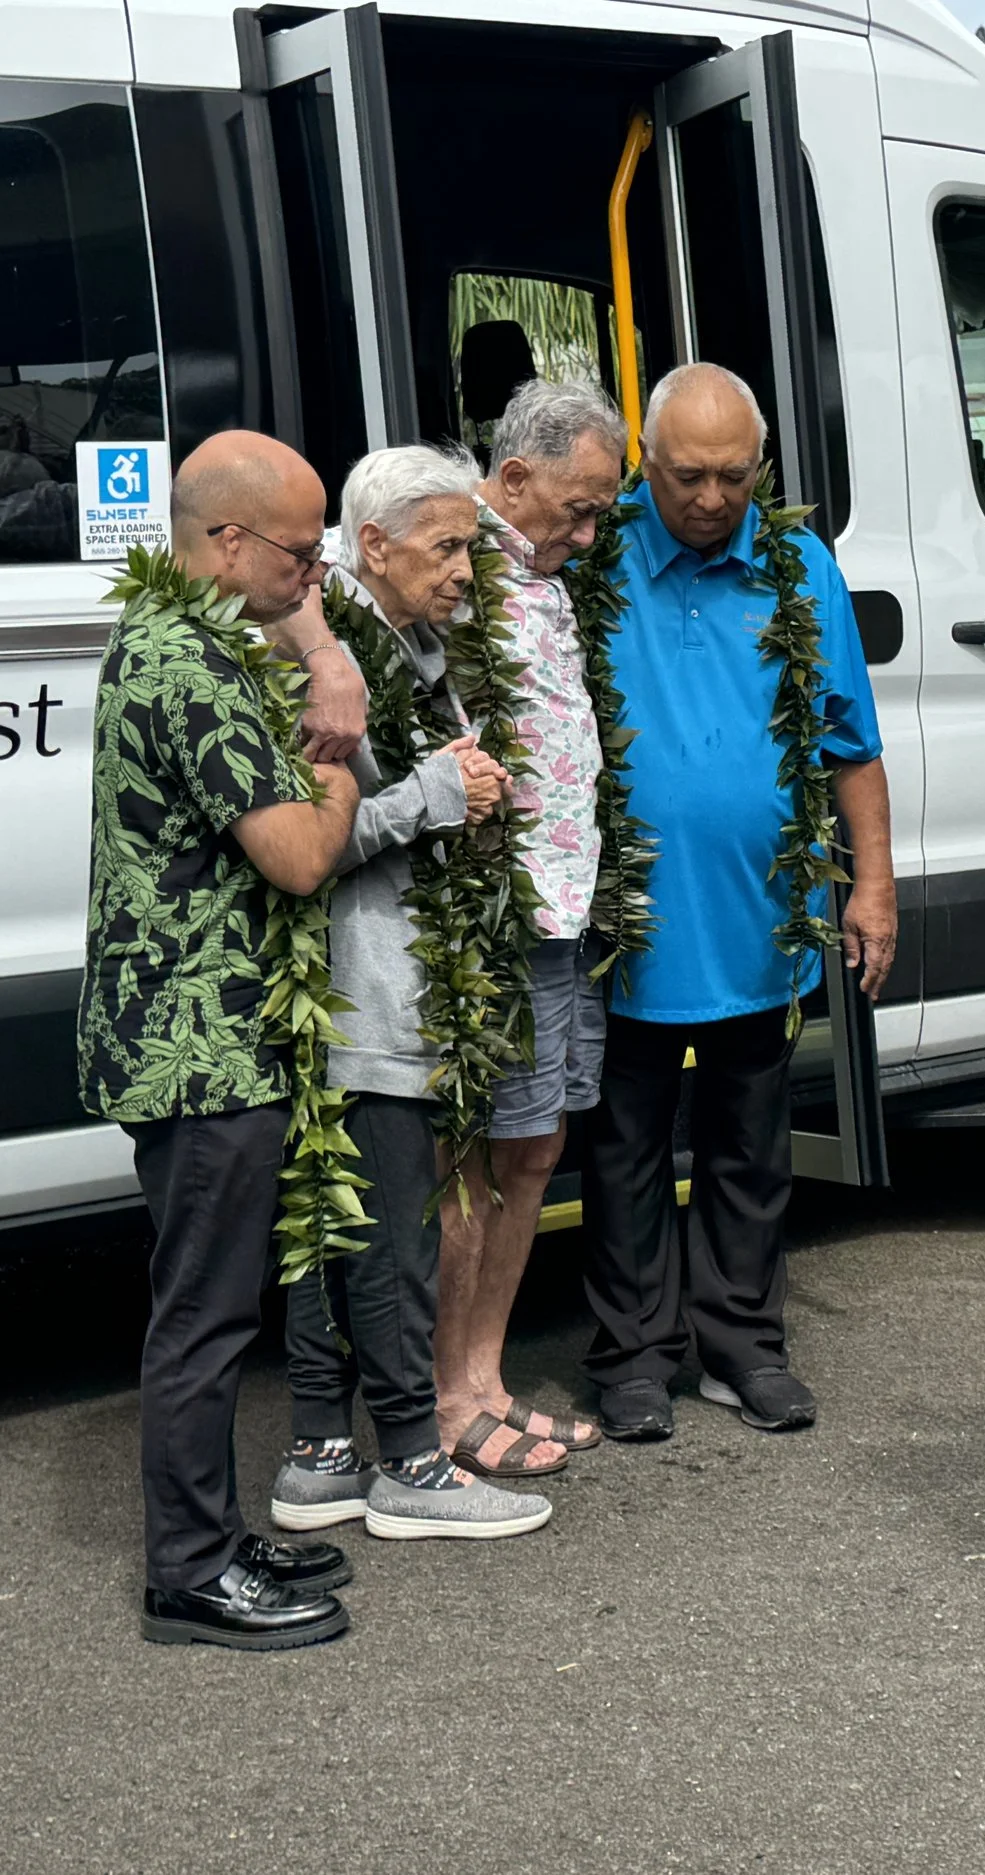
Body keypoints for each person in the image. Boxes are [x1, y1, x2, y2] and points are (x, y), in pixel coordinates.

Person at [77, 429, 367, 1651]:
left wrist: (315, 642)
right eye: (302, 556)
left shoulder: (177, 634)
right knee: (203, 1318)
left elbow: (286, 613)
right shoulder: (188, 668)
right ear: (229, 541)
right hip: (202, 1047)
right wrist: (339, 752)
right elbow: (299, 859)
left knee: (210, 1306)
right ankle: (187, 1575)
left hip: (194, 1034)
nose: (315, 577)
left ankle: (210, 1530)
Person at [582, 363, 897, 1442]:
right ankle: (631, 1355)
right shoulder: (594, 555)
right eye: (685, 478)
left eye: (731, 476)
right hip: (628, 924)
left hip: (760, 919)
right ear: (644, 460)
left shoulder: (798, 563)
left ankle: (741, 1345)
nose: (710, 499)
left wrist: (874, 888)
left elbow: (851, 746)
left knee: (747, 1142)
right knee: (624, 1148)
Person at [266, 443, 557, 1542]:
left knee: (339, 1226)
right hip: (359, 990)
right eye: (447, 548)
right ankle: (408, 1467)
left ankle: (318, 1457)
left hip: (391, 986)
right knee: (386, 1231)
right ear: (370, 546)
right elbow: (305, 846)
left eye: (473, 548)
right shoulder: (328, 662)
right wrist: (436, 792)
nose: (468, 571)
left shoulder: (405, 645)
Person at [433, 379, 630, 1479]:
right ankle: (444, 1397)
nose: (591, 531)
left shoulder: (549, 579)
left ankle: (487, 1378)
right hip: (497, 914)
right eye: (580, 505)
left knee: (537, 1142)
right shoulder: (454, 565)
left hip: (564, 903)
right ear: (512, 480)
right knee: (477, 1153)